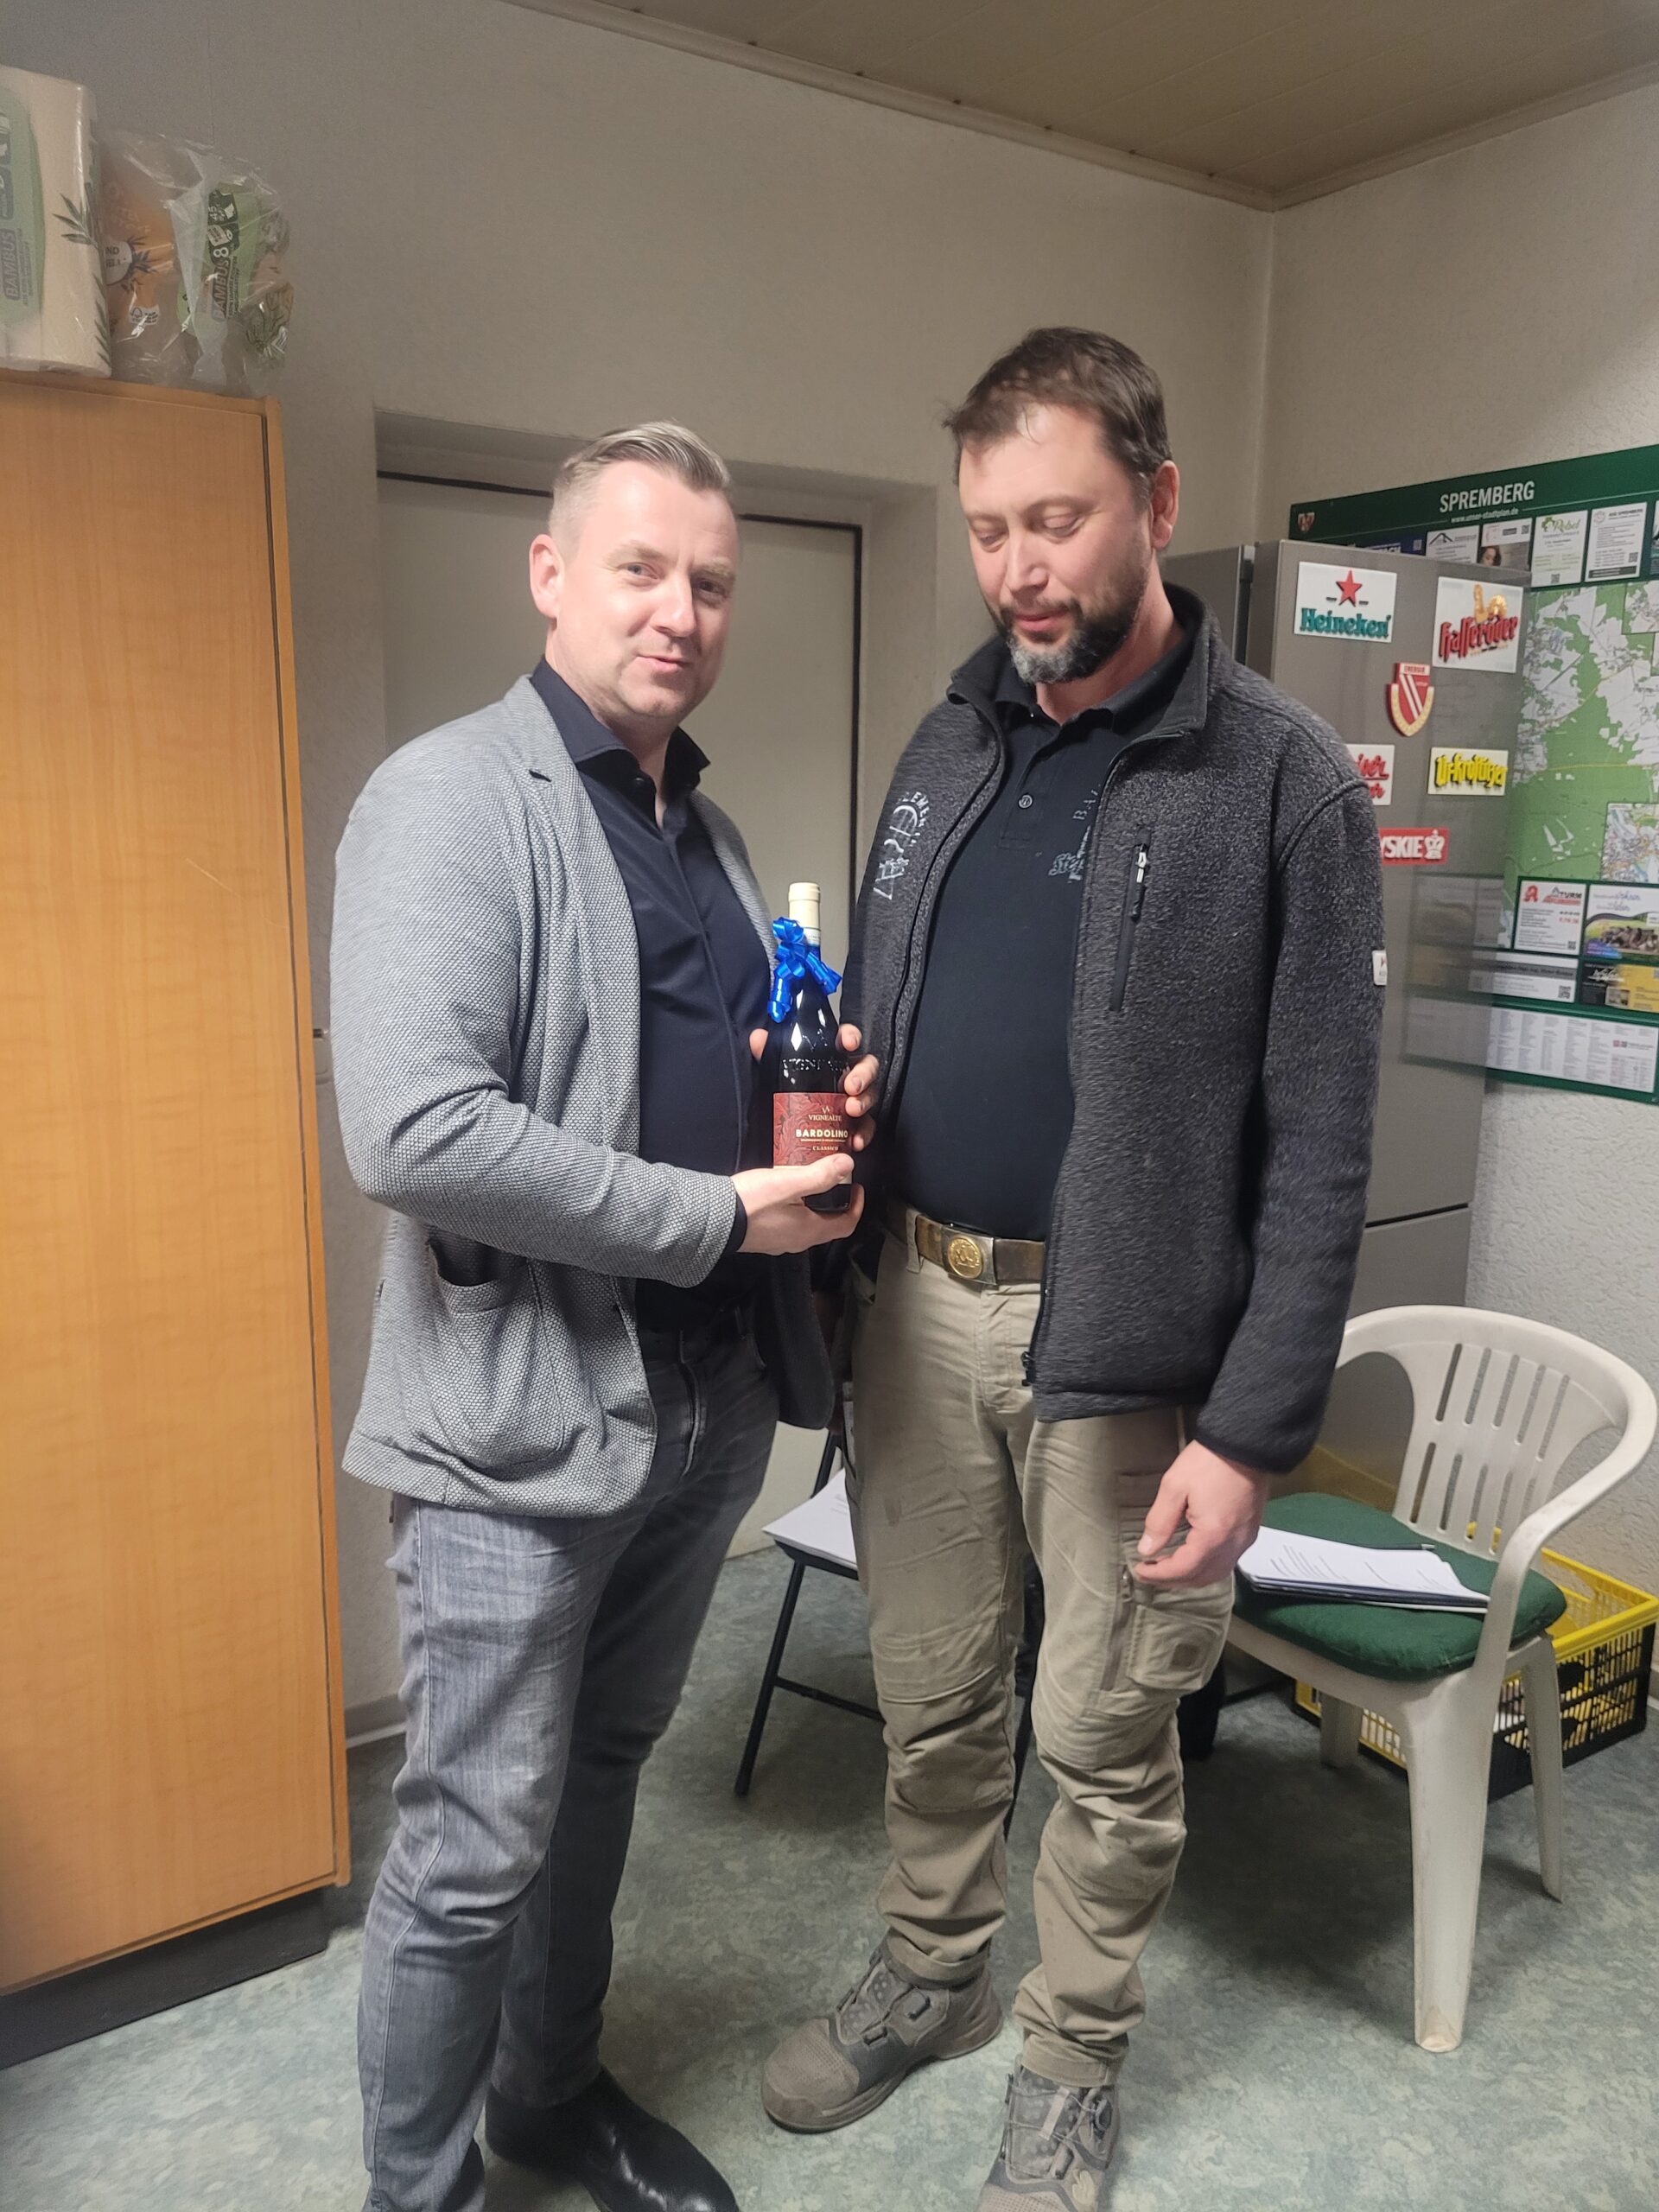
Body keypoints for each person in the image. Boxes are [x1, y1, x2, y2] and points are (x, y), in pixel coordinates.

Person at [765, 329, 1383, 2209]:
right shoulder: (948, 741)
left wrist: (1253, 1429)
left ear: (1158, 502)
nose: (1019, 569)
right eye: (988, 530)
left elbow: (1324, 1137)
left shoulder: (1280, 779)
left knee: (1107, 1727)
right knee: (933, 1680)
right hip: (914, 1304)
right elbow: (906, 1000)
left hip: (1122, 1346)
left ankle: (1070, 2056)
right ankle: (936, 1966)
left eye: (1058, 521)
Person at [333, 423, 874, 2212]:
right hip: (516, 1424)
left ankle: (549, 2095)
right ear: (550, 574)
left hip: (700, 1404)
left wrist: (815, 1099)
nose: (679, 610)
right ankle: (418, 2190)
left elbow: (693, 1078)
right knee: (473, 1843)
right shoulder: (449, 797)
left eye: (710, 582)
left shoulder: (702, 830)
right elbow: (414, 1129)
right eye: (640, 568)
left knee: (598, 1781)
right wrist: (717, 1214)